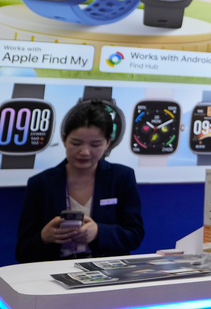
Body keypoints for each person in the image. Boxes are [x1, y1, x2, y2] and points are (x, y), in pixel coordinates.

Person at [16, 101, 144, 262]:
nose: (84, 152)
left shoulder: (121, 177)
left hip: (107, 272)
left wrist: (99, 232)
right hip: (53, 274)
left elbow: (134, 236)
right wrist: (44, 237)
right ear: (64, 139)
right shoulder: (40, 184)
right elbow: (22, 251)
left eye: (95, 144)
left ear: (107, 143)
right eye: (76, 143)